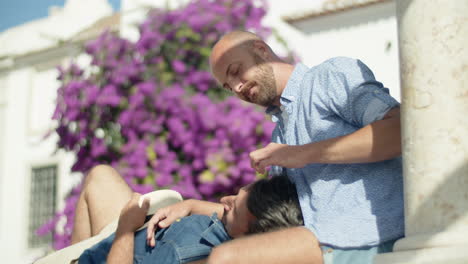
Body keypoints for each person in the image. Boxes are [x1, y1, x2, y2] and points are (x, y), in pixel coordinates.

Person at [147, 31, 404, 264]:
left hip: (370, 240)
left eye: (236, 70)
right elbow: (258, 214)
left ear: (260, 49)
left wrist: (299, 154)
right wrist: (191, 205)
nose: (236, 87)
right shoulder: (279, 135)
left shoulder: (329, 76)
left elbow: (400, 131)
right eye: (228, 86)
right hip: (318, 243)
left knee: (228, 259)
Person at [72, 165, 303, 264]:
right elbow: (233, 216)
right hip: (123, 240)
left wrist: (125, 229)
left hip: (107, 253)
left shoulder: (188, 255)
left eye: (232, 206)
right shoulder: (239, 231)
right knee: (101, 175)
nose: (223, 201)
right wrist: (190, 204)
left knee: (99, 178)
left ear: (250, 234)